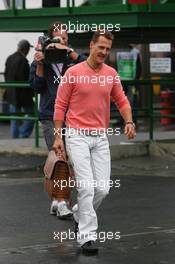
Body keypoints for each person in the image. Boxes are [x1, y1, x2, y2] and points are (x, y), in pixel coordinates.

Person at [53, 30, 136, 254]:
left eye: (107, 49)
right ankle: (86, 236)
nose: (104, 52)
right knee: (87, 188)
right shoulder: (73, 72)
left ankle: (80, 213)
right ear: (91, 45)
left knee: (103, 189)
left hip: (100, 137)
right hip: (76, 135)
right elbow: (60, 106)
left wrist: (129, 122)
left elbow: (122, 100)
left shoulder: (111, 74)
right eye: (101, 47)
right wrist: (58, 137)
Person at [30, 21, 85, 219]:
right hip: (50, 116)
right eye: (57, 39)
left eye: (65, 38)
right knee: (59, 159)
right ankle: (61, 202)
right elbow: (36, 87)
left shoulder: (72, 60)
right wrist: (39, 64)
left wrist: (68, 51)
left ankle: (57, 200)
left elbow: (90, 67)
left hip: (73, 116)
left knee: (74, 160)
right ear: (49, 40)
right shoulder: (41, 60)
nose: (61, 42)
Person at [4, 39, 34, 138]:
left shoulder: (9, 58)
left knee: (14, 119)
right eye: (28, 49)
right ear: (25, 49)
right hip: (22, 95)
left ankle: (15, 139)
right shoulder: (23, 61)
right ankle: (23, 134)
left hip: (11, 93)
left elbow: (6, 74)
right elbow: (24, 79)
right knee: (32, 114)